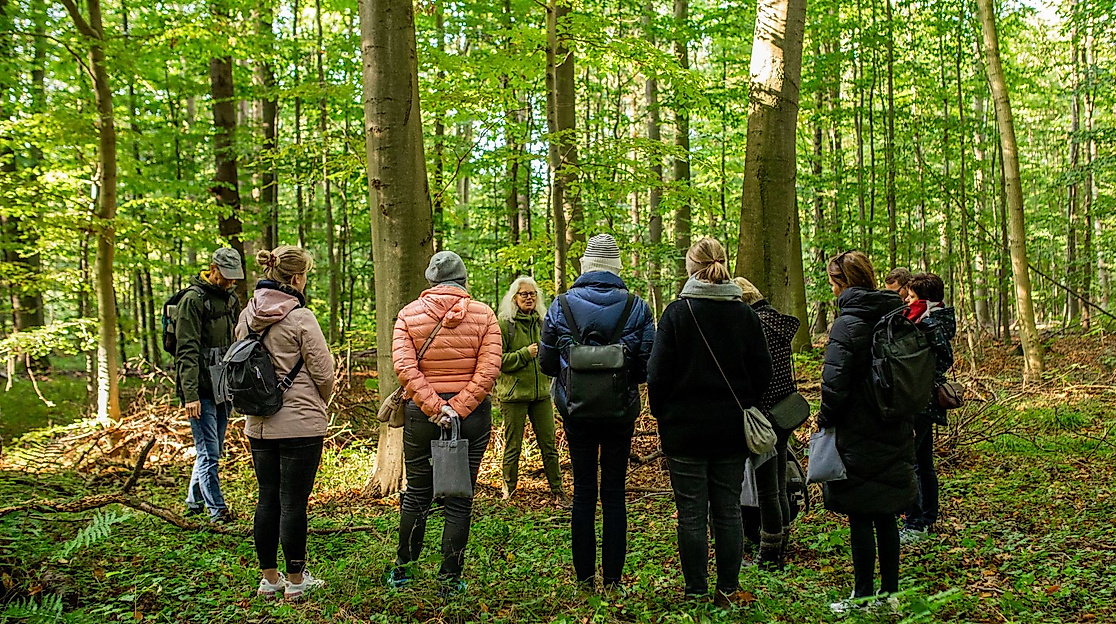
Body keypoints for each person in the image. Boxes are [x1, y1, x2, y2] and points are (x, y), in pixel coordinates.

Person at [648, 239, 772, 605]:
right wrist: (746, 402)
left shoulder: (676, 314)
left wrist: (664, 414)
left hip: (684, 430)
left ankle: (696, 592)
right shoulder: (745, 315)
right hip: (731, 429)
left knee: (691, 513)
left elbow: (657, 375)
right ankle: (729, 590)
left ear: (691, 268)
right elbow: (763, 372)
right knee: (728, 510)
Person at [540, 233, 656, 590]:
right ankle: (615, 580)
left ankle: (585, 579)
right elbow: (645, 367)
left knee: (584, 492)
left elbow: (545, 363)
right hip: (620, 412)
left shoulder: (561, 305)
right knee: (615, 494)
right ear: (617, 268)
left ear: (585, 267)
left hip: (576, 413)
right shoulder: (636, 307)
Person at [389, 251, 501, 597]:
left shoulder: (408, 315)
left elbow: (405, 369)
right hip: (471, 416)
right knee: (459, 497)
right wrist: (457, 407)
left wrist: (435, 407)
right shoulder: (484, 315)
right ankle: (449, 579)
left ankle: (404, 572)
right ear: (464, 280)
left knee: (418, 494)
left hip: (422, 414)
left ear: (431, 282)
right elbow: (489, 369)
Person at [817, 251, 916, 614]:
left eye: (832, 282)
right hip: (895, 424)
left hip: (857, 429)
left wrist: (824, 419)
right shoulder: (897, 314)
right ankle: (890, 595)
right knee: (887, 512)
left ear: (842, 283)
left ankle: (863, 597)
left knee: (860, 513)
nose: (831, 289)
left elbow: (834, 384)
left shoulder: (847, 323)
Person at [236, 247, 335, 601]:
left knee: (267, 499)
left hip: (259, 421)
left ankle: (269, 578)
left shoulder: (248, 315)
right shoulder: (301, 317)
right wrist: (320, 401)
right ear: (296, 278)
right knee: (294, 501)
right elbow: (324, 372)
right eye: (305, 275)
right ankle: (296, 580)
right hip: (300, 424)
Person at [734, 277, 801, 569]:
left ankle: (770, 554)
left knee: (768, 488)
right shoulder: (776, 322)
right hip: (785, 411)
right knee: (777, 480)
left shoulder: (755, 326)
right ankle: (782, 540)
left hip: (765, 416)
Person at [176, 247, 242, 524]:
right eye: (226, 276)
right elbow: (186, 350)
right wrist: (190, 395)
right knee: (209, 453)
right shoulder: (193, 300)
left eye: (233, 277)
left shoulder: (231, 299)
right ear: (213, 269)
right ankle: (217, 510)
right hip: (200, 390)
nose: (230, 282)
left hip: (223, 386)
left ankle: (194, 502)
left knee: (210, 450)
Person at [495, 277, 568, 505]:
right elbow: (497, 361)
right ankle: (509, 491)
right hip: (514, 396)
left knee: (549, 445)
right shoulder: (504, 324)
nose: (529, 298)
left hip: (541, 395)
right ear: (514, 298)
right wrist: (525, 354)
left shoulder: (543, 322)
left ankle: (558, 490)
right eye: (523, 294)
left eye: (532, 294)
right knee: (513, 446)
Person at [901, 272, 955, 543]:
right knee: (923, 462)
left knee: (909, 461)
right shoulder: (933, 319)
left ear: (923, 299)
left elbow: (941, 358)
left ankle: (916, 522)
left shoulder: (930, 322)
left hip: (922, 399)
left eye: (910, 297)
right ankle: (927, 518)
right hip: (925, 398)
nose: (907, 302)